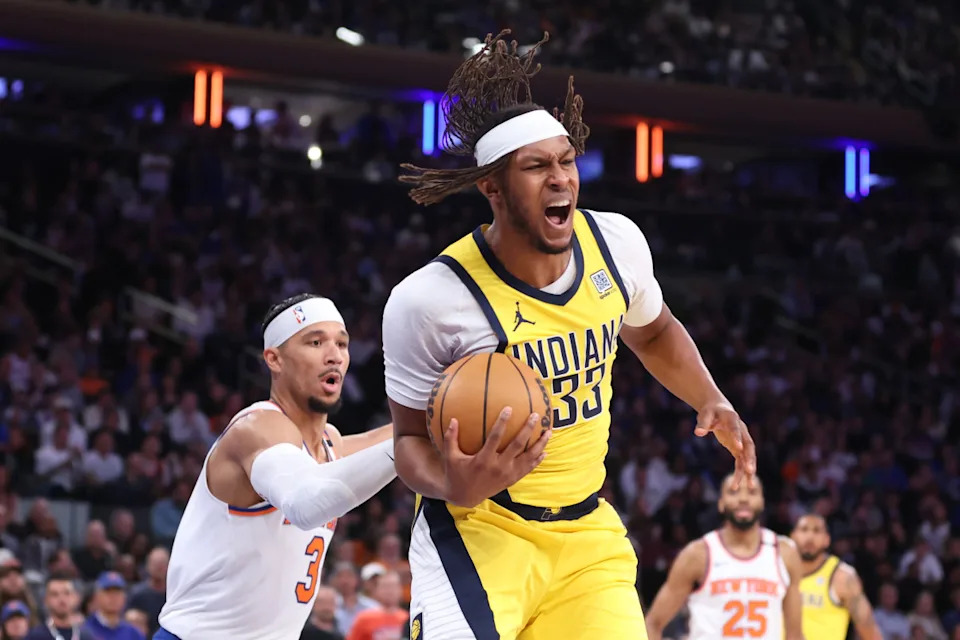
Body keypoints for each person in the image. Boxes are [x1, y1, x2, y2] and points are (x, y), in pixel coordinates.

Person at [383, 30, 756, 640]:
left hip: (585, 532)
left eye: (566, 160)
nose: (560, 179)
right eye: (536, 167)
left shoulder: (617, 243)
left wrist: (709, 397)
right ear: (492, 187)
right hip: (480, 528)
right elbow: (406, 442)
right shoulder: (430, 299)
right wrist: (453, 482)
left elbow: (654, 331)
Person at [155, 294, 397, 640]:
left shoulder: (329, 443)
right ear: (274, 359)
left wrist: (435, 415)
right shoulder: (256, 428)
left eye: (342, 344)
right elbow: (307, 502)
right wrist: (412, 441)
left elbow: (394, 436)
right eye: (316, 342)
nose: (334, 355)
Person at [644, 474, 803, 640]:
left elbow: (795, 635)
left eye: (752, 492)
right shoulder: (698, 554)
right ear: (721, 503)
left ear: (762, 502)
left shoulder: (785, 554)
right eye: (733, 492)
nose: (743, 498)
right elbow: (653, 623)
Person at [791, 514, 882, 640]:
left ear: (827, 540)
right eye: (804, 529)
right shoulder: (778, 570)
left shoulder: (842, 578)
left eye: (817, 531)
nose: (810, 537)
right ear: (793, 536)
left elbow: (870, 632)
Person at [25, 573, 96, 640]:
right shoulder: (35, 636)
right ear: (46, 600)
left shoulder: (86, 637)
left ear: (75, 598)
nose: (62, 599)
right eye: (55, 594)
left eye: (67, 593)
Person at [345, 571, 408, 640]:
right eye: (385, 586)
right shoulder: (364, 618)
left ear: (400, 589)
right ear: (377, 590)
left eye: (393, 586)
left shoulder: (406, 618)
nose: (390, 591)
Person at [83, 572, 144, 640]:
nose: (113, 597)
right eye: (108, 592)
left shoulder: (133, 634)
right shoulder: (85, 630)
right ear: (97, 596)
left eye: (117, 593)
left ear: (124, 597)